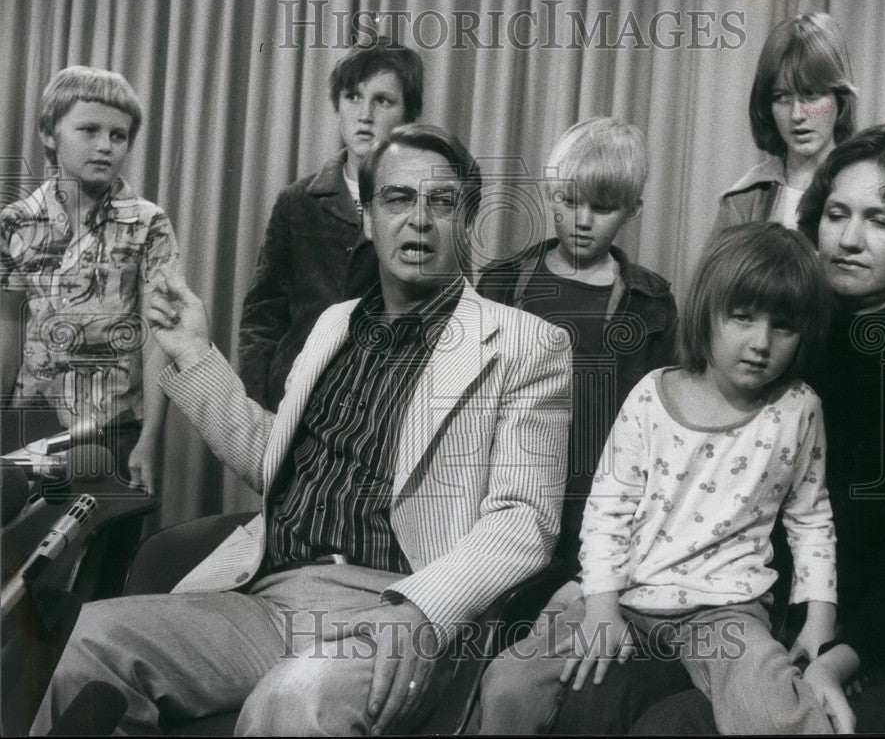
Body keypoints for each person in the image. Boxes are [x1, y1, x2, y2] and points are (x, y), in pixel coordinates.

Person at [31, 125, 572, 735]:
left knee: (294, 700)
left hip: (398, 607)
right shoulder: (333, 326)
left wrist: (422, 608)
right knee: (86, 643)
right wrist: (195, 355)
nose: (418, 220)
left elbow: (524, 519)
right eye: (397, 199)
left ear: (465, 221)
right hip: (271, 598)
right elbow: (274, 463)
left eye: (440, 202)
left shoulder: (527, 345)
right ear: (368, 218)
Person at [597, 125, 885, 735]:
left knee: (669, 727)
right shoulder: (776, 345)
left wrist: (831, 664)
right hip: (725, 612)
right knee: (593, 694)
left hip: (863, 647)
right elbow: (656, 485)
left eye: (882, 220)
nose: (850, 238)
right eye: (837, 213)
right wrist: (594, 585)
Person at [477, 222, 844, 734]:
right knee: (509, 684)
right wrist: (601, 608)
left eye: (783, 326)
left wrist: (819, 618)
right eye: (742, 318)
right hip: (626, 595)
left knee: (773, 713)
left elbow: (811, 519)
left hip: (726, 611)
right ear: (707, 313)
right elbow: (607, 508)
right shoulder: (652, 395)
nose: (761, 342)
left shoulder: (799, 409)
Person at [477, 117, 677, 562]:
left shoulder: (652, 303)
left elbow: (661, 430)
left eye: (602, 208)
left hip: (597, 509)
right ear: (550, 193)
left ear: (634, 210)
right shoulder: (501, 284)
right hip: (502, 498)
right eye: (569, 201)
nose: (581, 221)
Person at [0, 65, 178, 489]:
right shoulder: (15, 223)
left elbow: (159, 339)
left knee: (106, 550)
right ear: (50, 134)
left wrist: (149, 440)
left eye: (118, 136)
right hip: (33, 421)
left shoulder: (148, 223)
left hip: (116, 427)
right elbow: (7, 323)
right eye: (90, 131)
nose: (105, 147)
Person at [238, 37, 423, 410]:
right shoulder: (299, 201)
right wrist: (257, 406)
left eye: (382, 100)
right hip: (297, 400)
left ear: (409, 115)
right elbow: (262, 316)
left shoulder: (427, 203)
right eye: (353, 97)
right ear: (337, 106)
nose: (364, 115)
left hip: (383, 404)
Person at [713, 12, 856, 232]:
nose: (797, 114)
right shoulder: (744, 200)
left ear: (840, 98)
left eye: (811, 95)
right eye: (782, 97)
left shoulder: (865, 190)